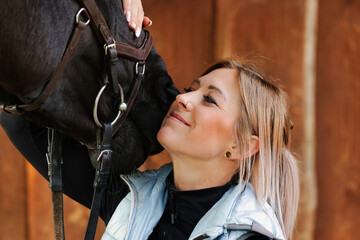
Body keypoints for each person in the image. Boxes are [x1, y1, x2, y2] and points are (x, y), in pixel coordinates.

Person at [0, 1, 299, 240]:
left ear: (242, 146)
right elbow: (21, 123)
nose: (182, 99)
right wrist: (116, 17)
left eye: (209, 99)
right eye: (191, 89)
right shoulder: (129, 199)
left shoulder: (252, 236)